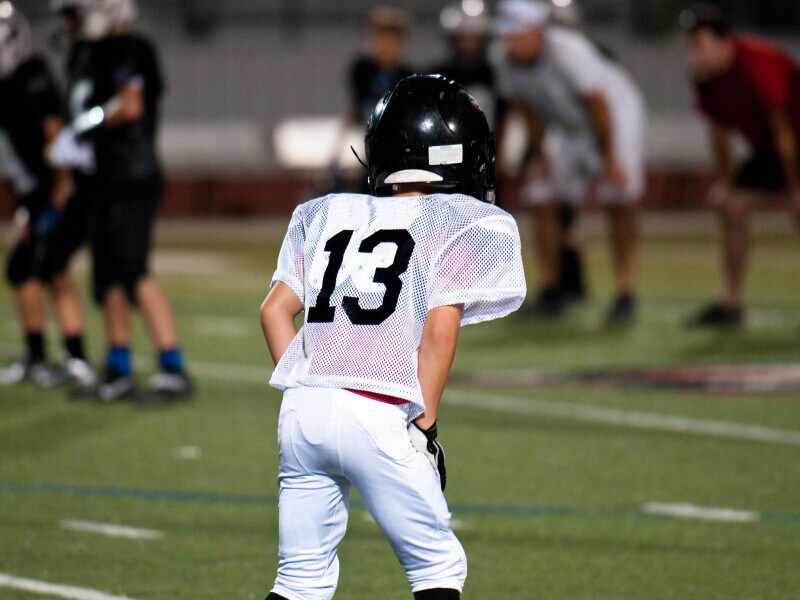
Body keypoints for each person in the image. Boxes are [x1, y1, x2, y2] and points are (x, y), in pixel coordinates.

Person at [260, 75, 526, 600]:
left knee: (300, 579)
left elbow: (274, 311)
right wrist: (423, 428)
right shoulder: (453, 220)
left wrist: (310, 383)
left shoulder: (326, 211)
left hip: (302, 411)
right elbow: (438, 334)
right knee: (438, 569)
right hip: (378, 411)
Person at [49, 0, 191, 402]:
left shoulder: (132, 48)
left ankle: (172, 365)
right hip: (101, 179)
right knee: (107, 277)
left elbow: (130, 105)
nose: (70, 22)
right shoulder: (84, 53)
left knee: (134, 273)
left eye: (76, 12)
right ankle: (119, 367)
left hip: (133, 176)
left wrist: (80, 130)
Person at [493, 0, 646, 324]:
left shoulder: (567, 51)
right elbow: (527, 110)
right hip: (571, 128)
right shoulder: (505, 60)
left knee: (618, 198)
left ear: (538, 30)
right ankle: (551, 290)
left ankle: (626, 292)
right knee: (540, 194)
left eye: (518, 34)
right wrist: (541, 155)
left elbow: (599, 103)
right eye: (507, 34)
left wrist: (610, 159)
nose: (511, 42)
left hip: (614, 117)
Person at [681, 4, 800, 327]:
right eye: (691, 45)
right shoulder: (708, 77)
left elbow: (784, 133)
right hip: (771, 150)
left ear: (724, 42)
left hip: (791, 144)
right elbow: (719, 133)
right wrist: (727, 180)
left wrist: (794, 191)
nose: (694, 53)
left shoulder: (757, 63)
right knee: (728, 203)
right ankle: (730, 302)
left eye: (700, 45)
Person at [0, 2, 94, 389]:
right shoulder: (9, 83)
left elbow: (56, 137)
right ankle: (41, 357)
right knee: (24, 268)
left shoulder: (32, 75)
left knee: (51, 267)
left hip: (62, 190)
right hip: (37, 194)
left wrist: (58, 195)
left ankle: (75, 359)